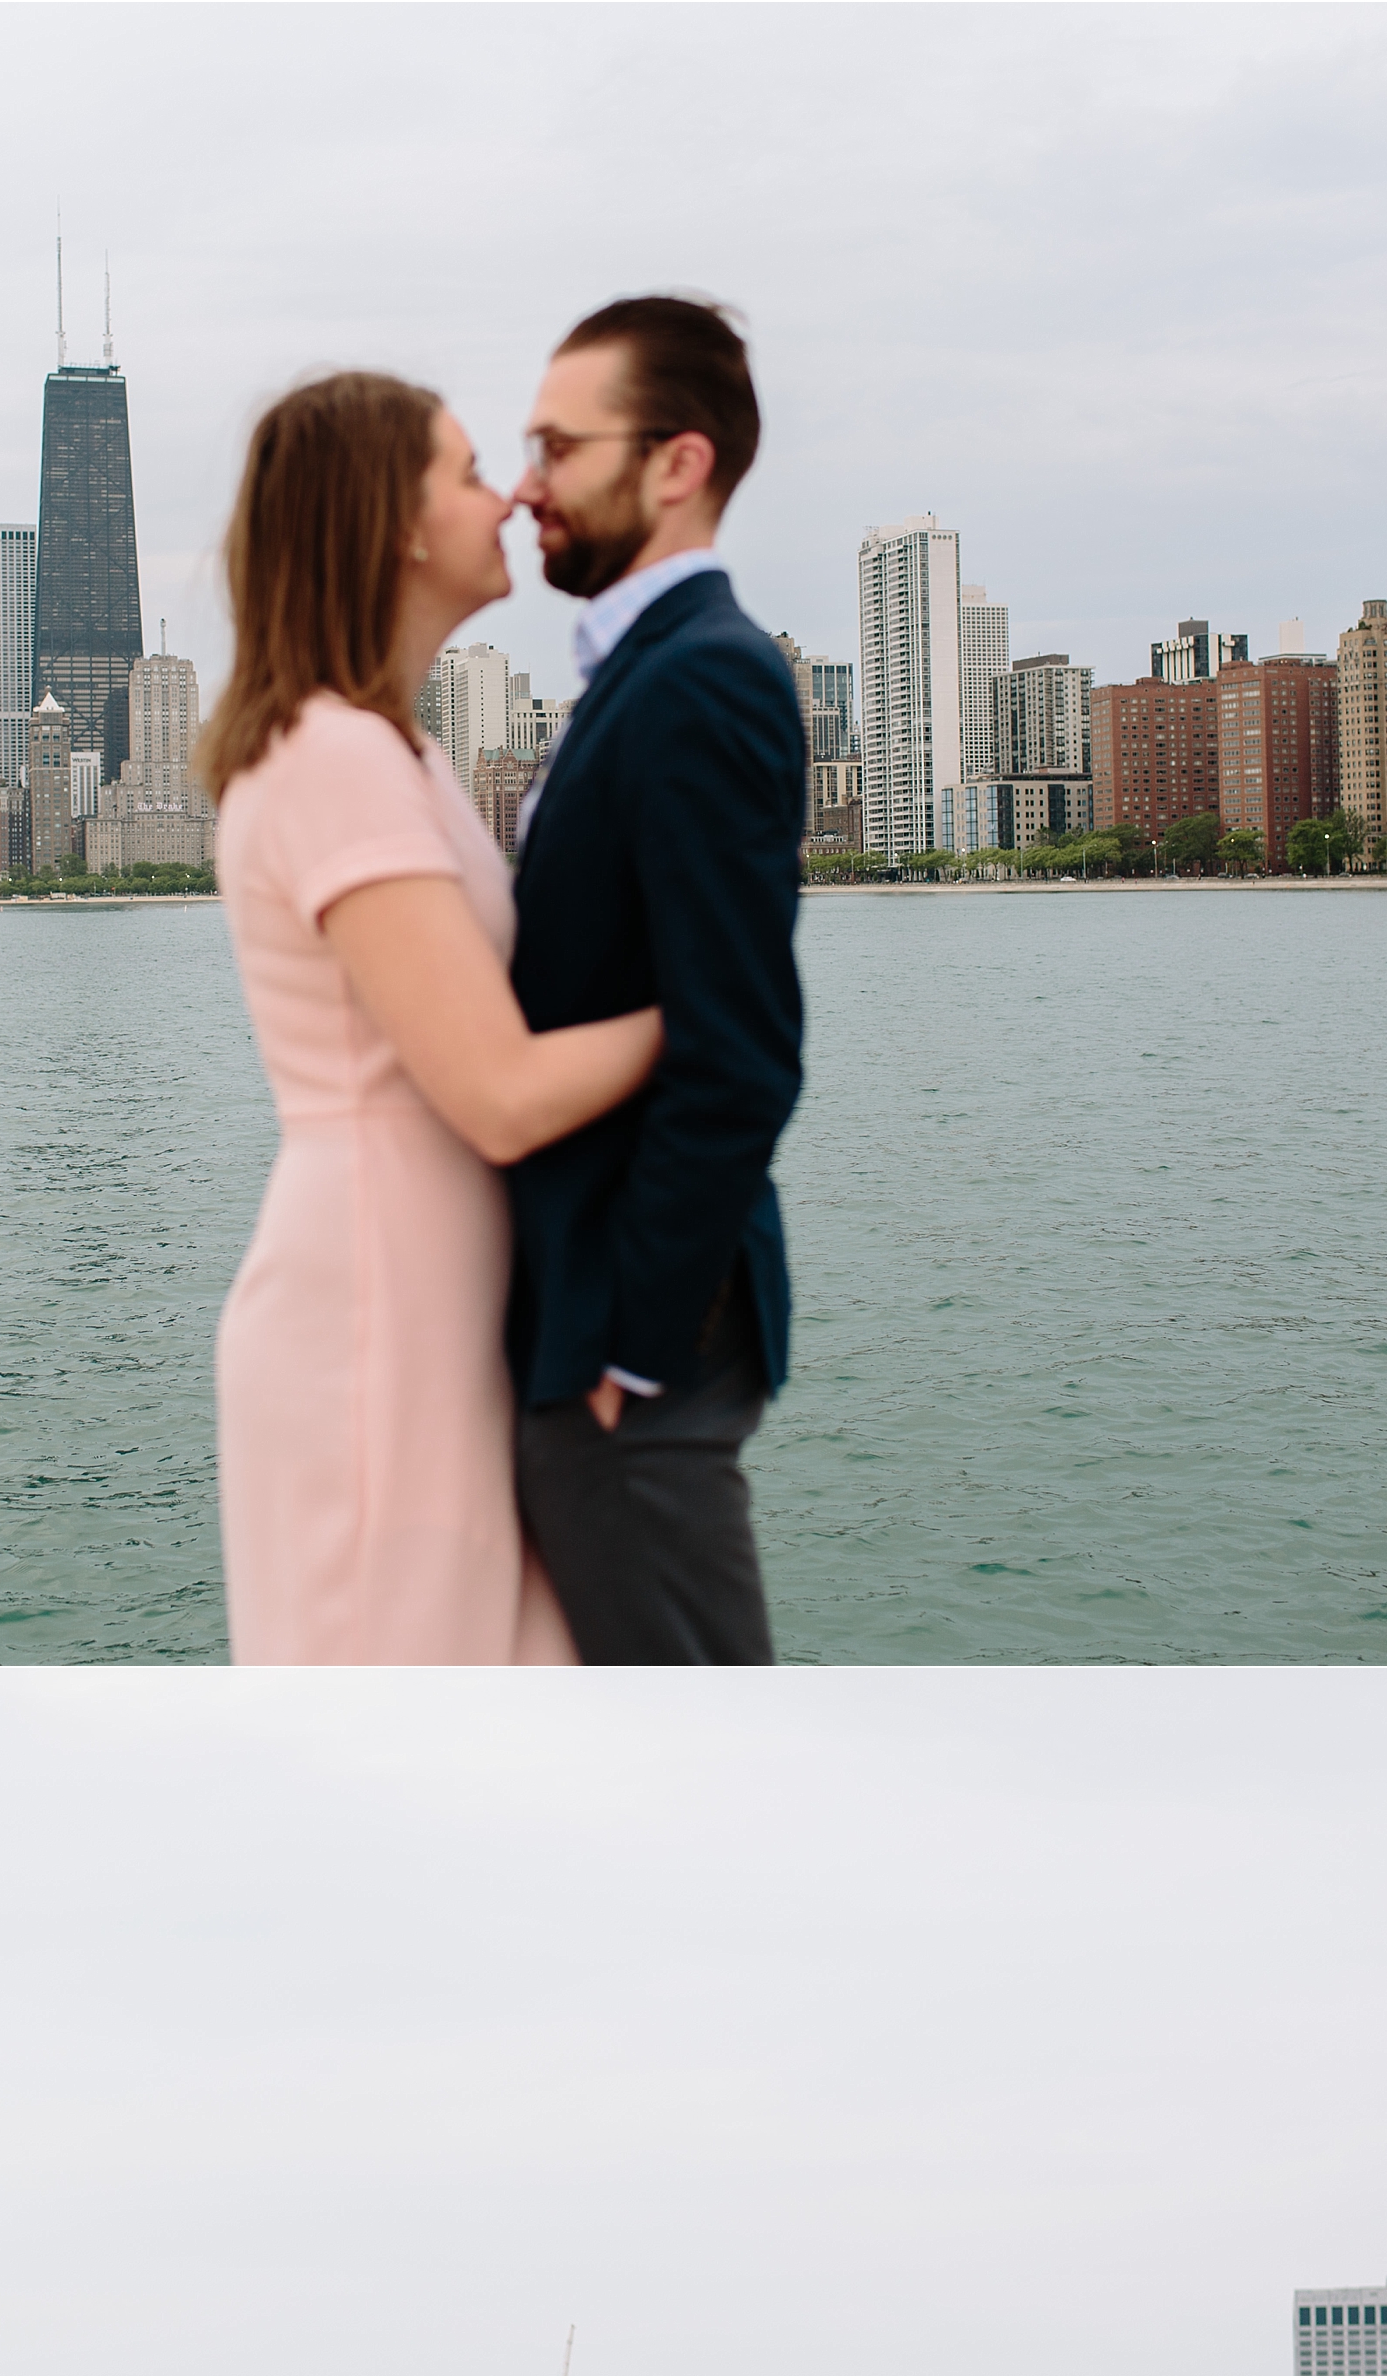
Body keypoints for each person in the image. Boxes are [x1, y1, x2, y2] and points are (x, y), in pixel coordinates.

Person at [204, 371, 665, 1663]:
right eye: (467, 473)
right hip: (376, 1307)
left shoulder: (396, 751)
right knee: (405, 1733)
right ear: (395, 525)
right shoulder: (332, 756)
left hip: (437, 1290)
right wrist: (711, 1013)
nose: (510, 495)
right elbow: (498, 1090)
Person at [505, 298, 809, 1665]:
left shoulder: (705, 679)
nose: (527, 485)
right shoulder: (638, 674)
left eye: (560, 447)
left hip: (640, 1353)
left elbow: (740, 1045)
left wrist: (631, 1357)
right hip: (593, 1330)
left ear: (677, 463)